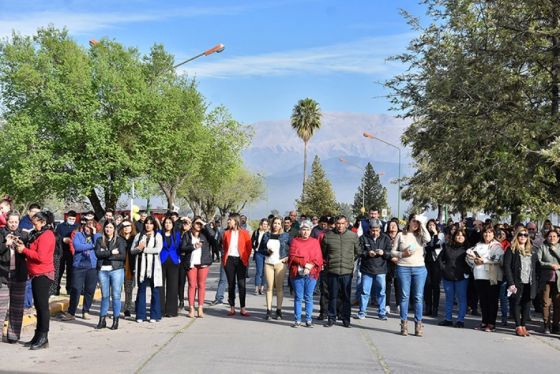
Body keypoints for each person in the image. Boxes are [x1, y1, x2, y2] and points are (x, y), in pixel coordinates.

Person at [16, 211, 55, 350]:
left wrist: (24, 250)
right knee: (38, 306)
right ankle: (38, 335)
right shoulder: (37, 234)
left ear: (43, 222)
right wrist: (23, 245)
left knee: (42, 307)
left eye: (35, 223)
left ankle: (44, 337)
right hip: (35, 274)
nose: (33, 226)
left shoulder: (47, 235)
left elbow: (41, 257)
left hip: (43, 274)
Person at [391, 214, 430, 337]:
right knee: (404, 296)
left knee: (418, 297)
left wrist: (423, 223)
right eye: (414, 221)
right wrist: (403, 254)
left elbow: (428, 239)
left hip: (419, 268)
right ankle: (404, 324)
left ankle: (418, 324)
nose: (415, 224)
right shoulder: (401, 235)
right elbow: (392, 251)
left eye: (417, 222)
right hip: (403, 268)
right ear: (409, 222)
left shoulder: (421, 235)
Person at [321, 215, 360, 328]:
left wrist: (350, 261)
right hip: (332, 270)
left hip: (347, 271)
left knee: (346, 297)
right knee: (332, 296)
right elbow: (324, 252)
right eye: (338, 223)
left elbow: (358, 251)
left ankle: (345, 319)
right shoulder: (328, 236)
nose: (340, 226)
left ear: (346, 224)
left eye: (342, 223)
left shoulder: (353, 236)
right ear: (335, 224)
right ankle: (331, 318)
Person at [60, 216, 100, 321]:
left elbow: (99, 246)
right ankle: (71, 312)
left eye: (91, 227)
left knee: (89, 290)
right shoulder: (78, 235)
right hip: (79, 266)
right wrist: (92, 245)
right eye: (87, 226)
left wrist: (94, 235)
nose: (88, 228)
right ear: (83, 226)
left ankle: (86, 311)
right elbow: (77, 247)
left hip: (92, 267)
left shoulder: (97, 236)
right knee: (76, 289)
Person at [466, 225, 504, 332]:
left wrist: (484, 260)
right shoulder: (478, 245)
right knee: (483, 301)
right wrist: (474, 261)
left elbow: (498, 258)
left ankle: (491, 323)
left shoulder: (497, 246)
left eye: (490, 233)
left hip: (492, 277)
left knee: (492, 300)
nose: (487, 235)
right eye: (485, 233)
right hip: (479, 276)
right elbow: (469, 256)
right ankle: (484, 322)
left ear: (493, 234)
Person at [355, 219, 392, 320]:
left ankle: (381, 312)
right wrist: (367, 253)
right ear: (369, 229)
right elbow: (359, 251)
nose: (375, 232)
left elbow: (390, 253)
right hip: (367, 269)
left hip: (381, 270)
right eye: (373, 230)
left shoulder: (385, 238)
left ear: (380, 229)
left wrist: (383, 253)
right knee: (365, 292)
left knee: (381, 292)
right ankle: (362, 312)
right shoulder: (363, 238)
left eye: (377, 230)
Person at [0, 211, 28, 343]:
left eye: (16, 222)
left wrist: (21, 246)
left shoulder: (23, 234)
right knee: (1, 307)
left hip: (19, 275)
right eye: (11, 221)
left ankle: (13, 335)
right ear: (6, 221)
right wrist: (5, 244)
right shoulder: (1, 233)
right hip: (3, 275)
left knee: (17, 307)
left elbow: (29, 252)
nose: (13, 224)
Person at [288, 220, 323, 327]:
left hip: (311, 273)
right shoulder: (295, 241)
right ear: (300, 230)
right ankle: (297, 320)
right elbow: (292, 256)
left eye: (308, 230)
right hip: (297, 273)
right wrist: (304, 264)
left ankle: (308, 320)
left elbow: (318, 257)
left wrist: (310, 265)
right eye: (303, 229)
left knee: (309, 297)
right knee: (298, 297)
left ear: (310, 230)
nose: (305, 232)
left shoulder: (314, 242)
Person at [504, 227, 537, 337]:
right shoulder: (511, 249)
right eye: (520, 235)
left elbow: (535, 267)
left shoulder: (531, 250)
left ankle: (523, 325)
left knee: (527, 303)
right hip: (517, 281)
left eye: (525, 235)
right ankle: (518, 326)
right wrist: (511, 282)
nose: (523, 237)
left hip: (529, 281)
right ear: (516, 236)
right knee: (516, 303)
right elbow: (507, 267)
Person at [94, 220, 126, 330]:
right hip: (103, 270)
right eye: (107, 227)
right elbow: (98, 254)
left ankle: (115, 320)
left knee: (116, 296)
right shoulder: (99, 240)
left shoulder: (120, 240)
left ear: (114, 229)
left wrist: (105, 255)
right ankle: (102, 320)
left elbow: (122, 256)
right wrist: (112, 252)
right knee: (105, 296)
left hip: (116, 270)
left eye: (111, 227)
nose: (108, 229)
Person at [132, 216, 163, 323]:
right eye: (146, 223)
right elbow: (132, 250)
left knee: (155, 291)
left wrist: (143, 249)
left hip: (154, 266)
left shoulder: (158, 236)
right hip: (141, 267)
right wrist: (138, 248)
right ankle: (140, 315)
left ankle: (155, 315)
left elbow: (158, 249)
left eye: (150, 223)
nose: (148, 225)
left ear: (154, 225)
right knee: (141, 290)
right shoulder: (139, 236)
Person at [183, 216, 215, 318]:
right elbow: (182, 247)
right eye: (197, 223)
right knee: (192, 285)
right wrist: (193, 247)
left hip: (203, 262)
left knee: (201, 285)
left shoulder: (205, 234)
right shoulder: (187, 234)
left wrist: (204, 224)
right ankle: (191, 308)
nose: (198, 225)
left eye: (200, 224)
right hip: (191, 262)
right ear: (192, 224)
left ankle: (200, 308)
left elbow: (213, 235)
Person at [259, 216, 290, 320]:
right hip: (268, 263)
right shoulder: (266, 235)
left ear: (281, 225)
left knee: (279, 288)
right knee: (269, 288)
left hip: (280, 264)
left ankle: (279, 310)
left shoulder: (285, 235)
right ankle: (268, 311)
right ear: (271, 224)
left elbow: (292, 248)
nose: (276, 225)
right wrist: (266, 252)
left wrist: (288, 257)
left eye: (278, 223)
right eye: (274, 223)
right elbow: (260, 250)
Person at [437, 229, 469, 328]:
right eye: (458, 235)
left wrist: (466, 272)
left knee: (462, 299)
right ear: (454, 236)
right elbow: (440, 260)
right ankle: (448, 319)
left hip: (462, 277)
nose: (460, 237)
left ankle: (460, 320)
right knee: (449, 299)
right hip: (448, 276)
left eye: (462, 235)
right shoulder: (447, 247)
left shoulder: (468, 249)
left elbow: (471, 263)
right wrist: (444, 269)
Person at [222, 213, 252, 317]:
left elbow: (249, 247)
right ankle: (232, 308)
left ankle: (243, 308)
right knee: (231, 284)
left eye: (230, 220)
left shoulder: (244, 233)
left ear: (236, 221)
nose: (228, 221)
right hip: (229, 260)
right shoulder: (226, 233)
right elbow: (224, 247)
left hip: (240, 260)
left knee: (242, 284)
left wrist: (246, 258)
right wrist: (224, 260)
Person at [537, 229, 560, 334]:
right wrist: (550, 265)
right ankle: (546, 325)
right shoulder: (542, 247)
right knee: (546, 303)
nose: (552, 238)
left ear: (558, 238)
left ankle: (556, 325)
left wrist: (554, 250)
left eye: (554, 236)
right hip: (546, 279)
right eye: (550, 236)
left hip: (558, 279)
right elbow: (539, 261)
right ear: (546, 237)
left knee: (557, 303)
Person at [159, 217, 181, 318]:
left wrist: (179, 258)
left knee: (172, 286)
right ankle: (160, 310)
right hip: (161, 261)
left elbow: (179, 248)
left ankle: (171, 310)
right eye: (166, 223)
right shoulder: (159, 233)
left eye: (169, 223)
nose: (167, 224)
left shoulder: (176, 234)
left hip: (173, 261)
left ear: (173, 224)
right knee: (160, 286)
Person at [55, 210, 78, 295]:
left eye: (73, 219)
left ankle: (69, 289)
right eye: (70, 218)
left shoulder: (76, 226)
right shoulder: (60, 226)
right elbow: (56, 237)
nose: (71, 220)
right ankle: (56, 289)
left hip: (72, 252)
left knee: (70, 271)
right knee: (59, 270)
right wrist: (63, 239)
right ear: (67, 217)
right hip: (61, 251)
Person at [424, 219, 444, 317]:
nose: (431, 226)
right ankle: (428, 307)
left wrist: (435, 234)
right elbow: (426, 247)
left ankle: (435, 308)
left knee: (435, 286)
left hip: (437, 263)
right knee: (427, 285)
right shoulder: (425, 235)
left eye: (433, 225)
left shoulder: (440, 235)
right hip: (427, 262)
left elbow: (438, 245)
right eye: (429, 225)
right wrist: (431, 247)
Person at [119, 219, 137, 318]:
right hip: (118, 266)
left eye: (128, 225)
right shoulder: (118, 238)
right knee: (116, 290)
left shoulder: (135, 238)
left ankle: (127, 309)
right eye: (124, 226)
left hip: (130, 267)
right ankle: (116, 310)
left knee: (128, 290)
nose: (126, 228)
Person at [385, 219, 401, 314]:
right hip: (387, 263)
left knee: (398, 285)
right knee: (387, 285)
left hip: (399, 263)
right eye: (391, 225)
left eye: (394, 225)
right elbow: (383, 249)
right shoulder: (385, 236)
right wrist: (391, 257)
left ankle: (398, 304)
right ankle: (387, 305)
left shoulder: (401, 236)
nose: (393, 227)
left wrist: (398, 258)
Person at [251, 218, 269, 296]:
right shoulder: (256, 232)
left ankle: (262, 288)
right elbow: (251, 241)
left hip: (267, 253)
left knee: (264, 272)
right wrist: (254, 248)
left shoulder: (269, 233)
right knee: (259, 271)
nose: (264, 226)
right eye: (263, 224)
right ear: (261, 224)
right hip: (259, 253)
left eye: (266, 224)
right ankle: (256, 288)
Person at [178, 217, 192, 309]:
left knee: (192, 283)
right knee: (181, 282)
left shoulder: (192, 234)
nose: (185, 225)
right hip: (181, 259)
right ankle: (181, 301)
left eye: (187, 223)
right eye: (184, 223)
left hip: (190, 259)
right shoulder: (179, 233)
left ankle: (191, 303)